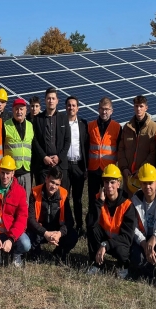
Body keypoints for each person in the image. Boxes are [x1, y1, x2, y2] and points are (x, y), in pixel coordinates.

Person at [0, 156, 30, 267]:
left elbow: (22, 218)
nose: (5, 176)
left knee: (26, 244)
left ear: (13, 173)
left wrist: (11, 239)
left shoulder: (20, 191)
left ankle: (16, 253)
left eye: (8, 173)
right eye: (3, 173)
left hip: (11, 231)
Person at [86, 164, 135, 278]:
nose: (109, 186)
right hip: (105, 238)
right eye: (106, 182)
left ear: (119, 183)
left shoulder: (127, 205)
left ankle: (123, 266)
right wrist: (99, 203)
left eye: (112, 182)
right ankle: (97, 265)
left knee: (122, 252)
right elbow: (89, 223)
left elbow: (127, 237)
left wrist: (106, 245)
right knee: (92, 229)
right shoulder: (99, 198)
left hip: (119, 243)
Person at [86, 97, 122, 238]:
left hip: (109, 172)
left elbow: (119, 149)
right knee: (93, 200)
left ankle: (108, 228)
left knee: (110, 200)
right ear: (98, 109)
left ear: (111, 111)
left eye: (107, 109)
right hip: (94, 169)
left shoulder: (117, 127)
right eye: (101, 108)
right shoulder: (90, 126)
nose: (104, 111)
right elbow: (86, 146)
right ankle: (92, 227)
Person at [27, 167, 78, 264]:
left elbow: (70, 221)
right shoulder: (35, 192)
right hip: (40, 230)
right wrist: (45, 233)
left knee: (73, 236)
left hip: (56, 230)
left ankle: (58, 254)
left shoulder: (63, 194)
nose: (54, 186)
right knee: (27, 235)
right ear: (46, 179)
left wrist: (59, 233)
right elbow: (30, 219)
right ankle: (36, 253)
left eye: (57, 184)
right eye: (52, 182)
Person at [118, 95, 156, 196]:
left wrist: (142, 170)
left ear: (146, 107)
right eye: (136, 106)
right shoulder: (127, 127)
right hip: (128, 177)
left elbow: (154, 153)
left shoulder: (154, 128)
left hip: (146, 178)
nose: (138, 109)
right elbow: (121, 149)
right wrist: (124, 168)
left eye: (141, 106)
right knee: (128, 206)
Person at [31, 87, 71, 189]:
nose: (51, 101)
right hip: (43, 165)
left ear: (57, 101)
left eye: (53, 98)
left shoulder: (64, 118)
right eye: (49, 98)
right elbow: (34, 140)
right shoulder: (38, 119)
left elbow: (67, 140)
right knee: (42, 196)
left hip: (60, 165)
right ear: (45, 100)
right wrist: (44, 157)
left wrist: (59, 157)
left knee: (61, 197)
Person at [65, 96, 89, 235]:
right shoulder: (61, 122)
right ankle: (67, 224)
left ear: (77, 108)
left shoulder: (83, 124)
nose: (71, 108)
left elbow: (85, 147)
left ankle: (80, 226)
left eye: (74, 105)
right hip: (65, 166)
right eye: (69, 105)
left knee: (78, 198)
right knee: (65, 197)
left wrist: (86, 168)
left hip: (79, 166)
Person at [2, 97, 34, 200]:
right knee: (10, 202)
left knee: (25, 202)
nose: (19, 111)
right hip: (11, 172)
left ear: (26, 110)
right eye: (16, 109)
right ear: (13, 110)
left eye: (21, 109)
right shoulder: (6, 125)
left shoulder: (30, 126)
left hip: (26, 171)